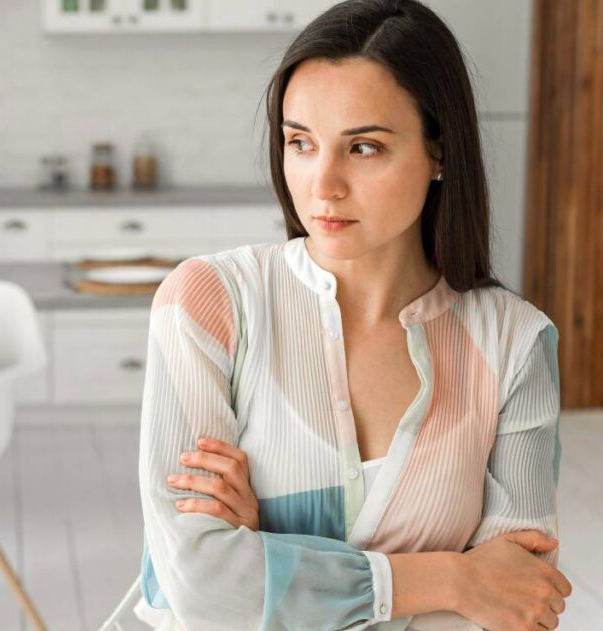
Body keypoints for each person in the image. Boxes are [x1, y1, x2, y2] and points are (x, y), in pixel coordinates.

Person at [135, 1, 572, 629]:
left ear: (439, 151)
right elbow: (201, 588)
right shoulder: (208, 304)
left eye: (363, 147)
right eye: (300, 143)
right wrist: (450, 576)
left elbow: (516, 601)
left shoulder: (513, 342)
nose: (322, 184)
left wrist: (272, 557)